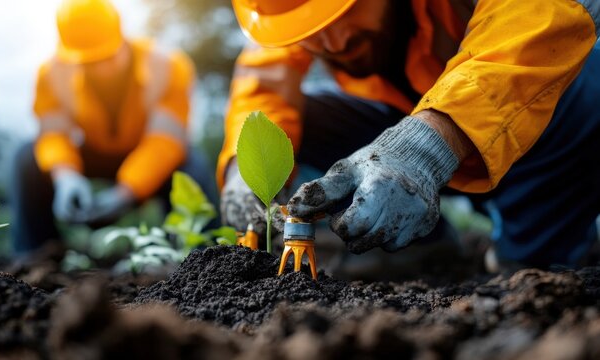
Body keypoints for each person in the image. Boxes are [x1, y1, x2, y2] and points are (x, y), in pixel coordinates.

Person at [219, 0, 600, 271]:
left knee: (593, 85)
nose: (333, 44)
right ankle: (413, 244)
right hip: (403, 150)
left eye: (345, 11)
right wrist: (243, 168)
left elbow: (538, 21)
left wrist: (427, 146)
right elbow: (265, 83)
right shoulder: (281, 14)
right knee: (297, 121)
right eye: (313, 33)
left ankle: (533, 245)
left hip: (543, 136)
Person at [10, 0, 216, 253]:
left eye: (107, 57)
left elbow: (166, 141)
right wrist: (65, 175)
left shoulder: (168, 65)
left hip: (148, 153)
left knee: (192, 165)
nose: (100, 69)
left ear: (121, 37)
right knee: (26, 158)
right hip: (94, 152)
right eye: (88, 62)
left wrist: (126, 192)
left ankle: (198, 255)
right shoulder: (51, 73)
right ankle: (35, 255)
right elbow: (53, 134)